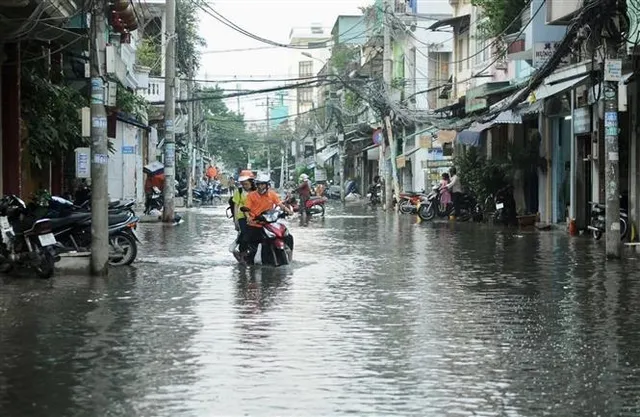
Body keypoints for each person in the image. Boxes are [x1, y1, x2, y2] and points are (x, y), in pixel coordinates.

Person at [242, 173, 293, 264]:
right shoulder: (251, 196)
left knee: (288, 237)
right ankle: (249, 263)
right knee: (252, 247)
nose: (261, 187)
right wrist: (248, 217)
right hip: (255, 224)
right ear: (256, 185)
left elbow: (279, 204)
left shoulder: (272, 194)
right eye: (259, 184)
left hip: (269, 223)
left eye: (263, 184)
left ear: (267, 185)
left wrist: (288, 211)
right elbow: (246, 209)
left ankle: (290, 256)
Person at [232, 170, 255, 253]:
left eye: (246, 184)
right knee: (245, 234)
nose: (244, 186)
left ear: (251, 182)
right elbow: (236, 206)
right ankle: (242, 252)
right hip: (242, 216)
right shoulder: (239, 191)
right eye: (243, 184)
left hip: (254, 216)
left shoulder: (256, 191)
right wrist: (235, 220)